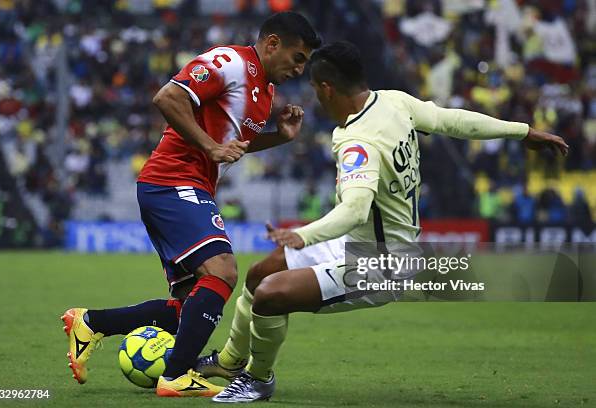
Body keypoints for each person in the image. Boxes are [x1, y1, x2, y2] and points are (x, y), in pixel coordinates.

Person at [199, 41, 568, 403]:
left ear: (327, 88)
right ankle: (231, 361)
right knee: (260, 274)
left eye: (314, 88)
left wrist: (301, 235)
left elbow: (355, 209)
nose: (315, 98)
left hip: (382, 263)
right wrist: (522, 131)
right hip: (359, 243)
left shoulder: (357, 141)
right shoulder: (394, 101)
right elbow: (451, 120)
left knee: (270, 295)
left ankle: (257, 380)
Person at [60, 11, 321, 398]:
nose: (300, 69)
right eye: (298, 58)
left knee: (188, 307)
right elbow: (167, 97)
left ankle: (91, 322)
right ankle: (177, 375)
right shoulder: (230, 62)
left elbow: (232, 145)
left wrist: (279, 137)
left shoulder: (264, 93)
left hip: (185, 186)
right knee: (223, 271)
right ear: (272, 44)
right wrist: (210, 146)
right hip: (173, 180)